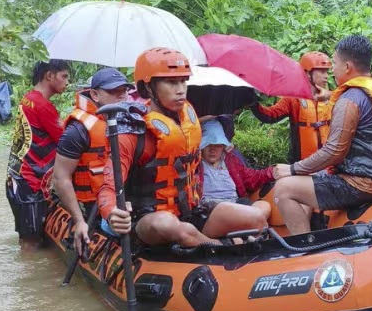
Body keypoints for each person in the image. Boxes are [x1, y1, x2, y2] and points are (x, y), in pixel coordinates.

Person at [98, 48, 268, 247]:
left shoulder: (188, 116)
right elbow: (108, 186)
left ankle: (226, 249)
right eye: (171, 82)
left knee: (254, 216)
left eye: (183, 81)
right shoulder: (134, 131)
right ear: (148, 88)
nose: (180, 89)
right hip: (148, 220)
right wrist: (111, 212)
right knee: (168, 225)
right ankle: (218, 248)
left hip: (190, 212)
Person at [270, 35, 372, 235]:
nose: (332, 71)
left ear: (347, 67)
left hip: (356, 184)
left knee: (284, 188)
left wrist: (293, 169)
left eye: (335, 63)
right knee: (309, 175)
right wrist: (330, 96)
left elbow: (334, 152)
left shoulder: (350, 99)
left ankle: (303, 247)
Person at [52, 68, 132, 251]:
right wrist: (79, 221)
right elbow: (60, 177)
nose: (121, 97)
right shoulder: (78, 130)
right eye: (113, 91)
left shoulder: (130, 122)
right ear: (95, 94)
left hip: (119, 199)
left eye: (124, 91)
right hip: (92, 205)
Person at [6, 59, 71, 251]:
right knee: (31, 243)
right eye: (64, 76)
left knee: (26, 236)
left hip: (17, 177)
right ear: (49, 76)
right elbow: (65, 141)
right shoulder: (43, 106)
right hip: (31, 182)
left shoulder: (28, 98)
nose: (67, 82)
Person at [251, 51, 333, 163]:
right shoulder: (293, 99)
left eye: (327, 72)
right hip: (302, 164)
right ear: (307, 74)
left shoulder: (332, 97)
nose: (326, 76)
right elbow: (269, 115)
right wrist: (253, 102)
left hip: (328, 164)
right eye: (322, 72)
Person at [197, 120, 273, 220]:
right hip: (210, 209)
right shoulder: (194, 164)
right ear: (201, 146)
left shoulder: (231, 160)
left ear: (223, 146)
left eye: (218, 145)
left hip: (236, 204)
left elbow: (251, 178)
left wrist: (274, 171)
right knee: (247, 213)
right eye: (208, 144)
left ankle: (246, 226)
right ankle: (248, 227)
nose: (212, 149)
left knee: (264, 206)